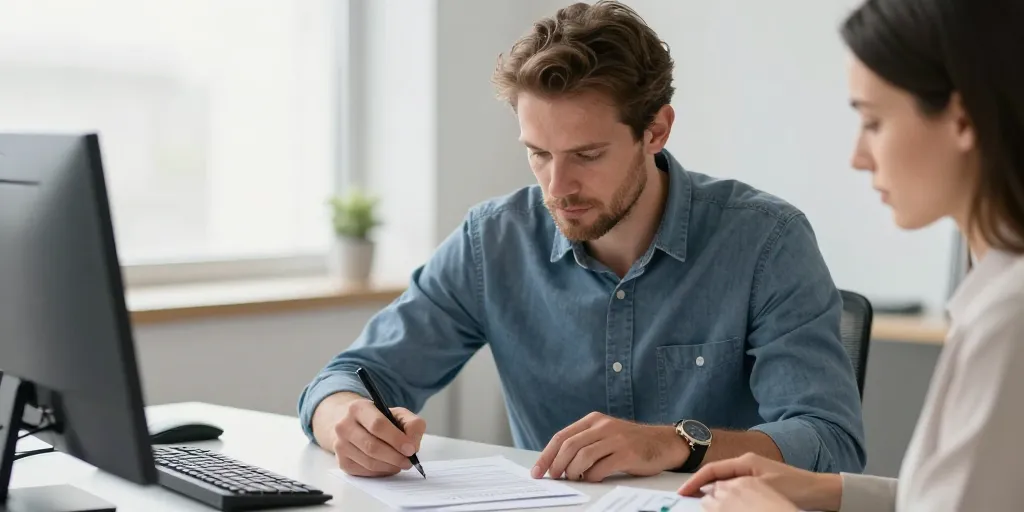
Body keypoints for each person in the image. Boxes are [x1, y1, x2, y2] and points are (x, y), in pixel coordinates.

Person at [298, 1, 865, 483]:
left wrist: (673, 444)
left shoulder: (766, 241)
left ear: (657, 130)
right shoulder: (493, 241)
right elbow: (347, 377)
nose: (557, 187)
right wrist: (343, 418)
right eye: (539, 154)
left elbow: (828, 441)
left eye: (587, 156)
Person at [679, 0, 1024, 510]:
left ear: (962, 119)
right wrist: (823, 488)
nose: (858, 157)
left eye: (874, 122)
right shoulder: (998, 298)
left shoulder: (1009, 317)